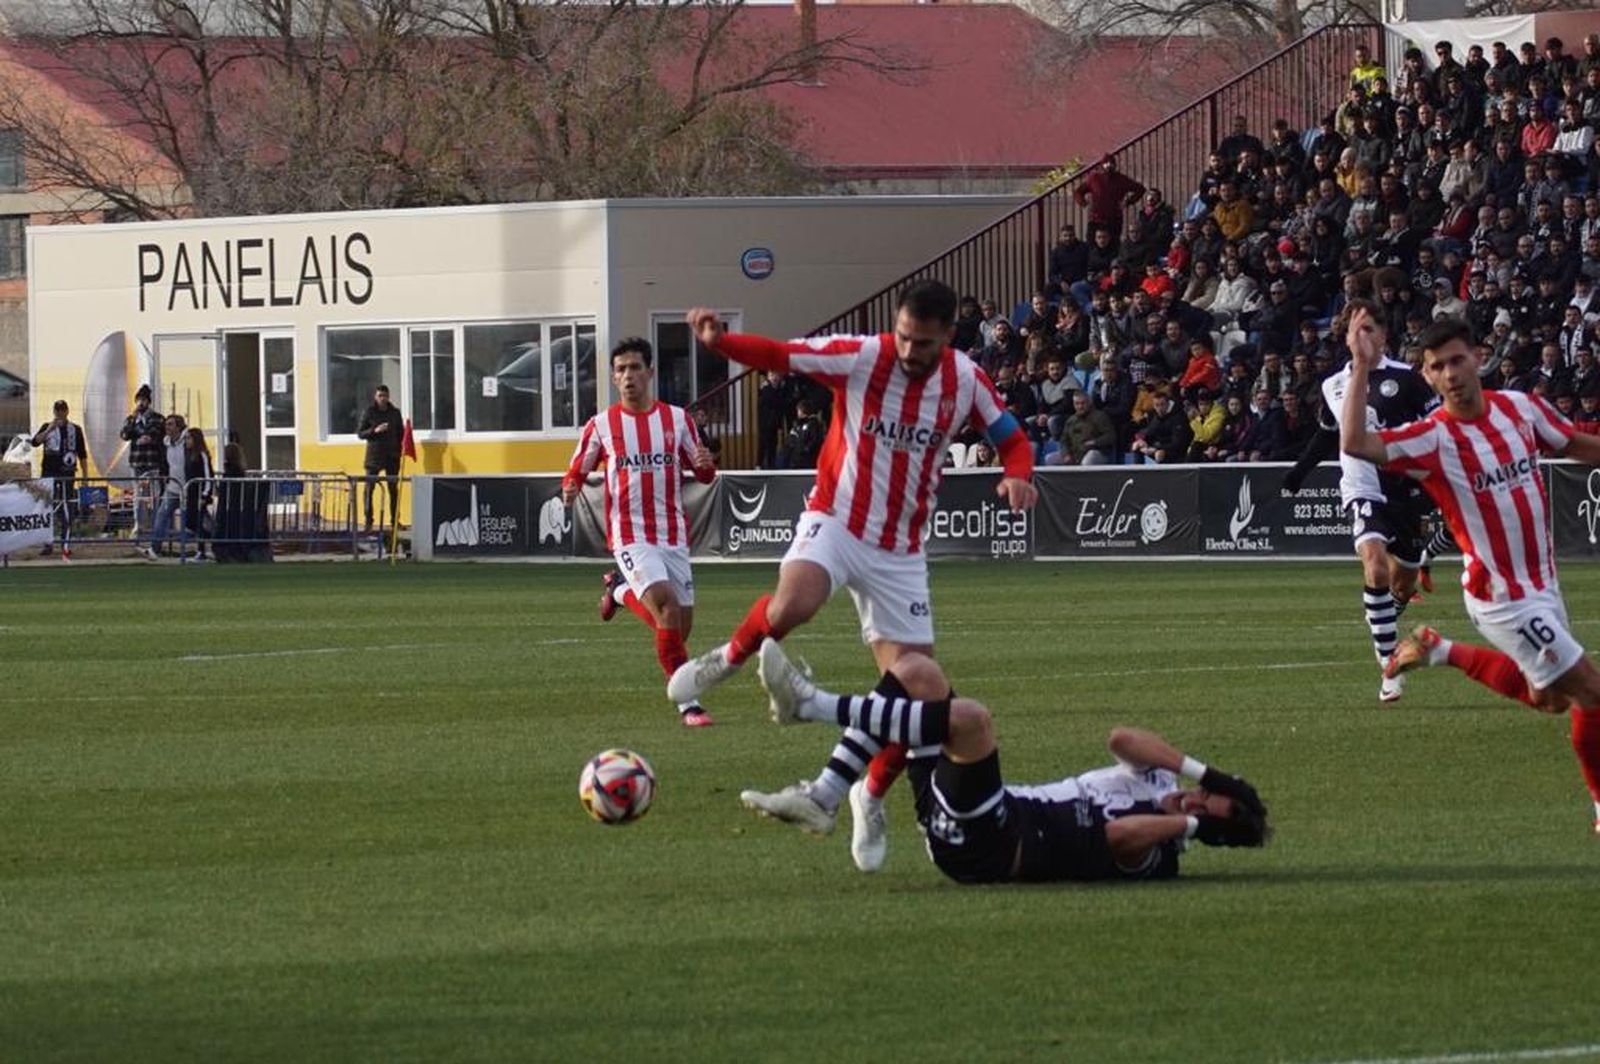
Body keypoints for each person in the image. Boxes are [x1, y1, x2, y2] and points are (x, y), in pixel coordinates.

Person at [672, 282, 1037, 871]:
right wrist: (723, 342)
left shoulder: (965, 378)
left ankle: (862, 793)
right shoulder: (864, 356)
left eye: (923, 341)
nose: (909, 349)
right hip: (837, 518)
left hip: (901, 549)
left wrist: (1019, 474)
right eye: (904, 335)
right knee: (795, 603)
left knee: (917, 684)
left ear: (948, 336)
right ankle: (730, 659)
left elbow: (1012, 439)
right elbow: (782, 355)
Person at [1341, 313, 1600, 833]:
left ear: (1479, 358)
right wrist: (1360, 366)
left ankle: (1439, 650)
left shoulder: (1519, 409)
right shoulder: (1433, 439)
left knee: (1550, 699)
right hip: (1501, 596)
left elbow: (1573, 443)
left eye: (1458, 360)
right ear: (1429, 377)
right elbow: (1356, 444)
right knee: (1592, 691)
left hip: (1543, 584)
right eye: (1438, 367)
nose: (1451, 373)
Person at [753, 640, 1270, 884]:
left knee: (971, 721)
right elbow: (1121, 738)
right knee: (919, 673)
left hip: (997, 846)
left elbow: (1119, 839)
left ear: (1205, 830)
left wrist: (1189, 823)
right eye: (1204, 793)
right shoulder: (1158, 780)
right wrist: (1208, 773)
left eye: (1206, 808)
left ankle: (812, 705)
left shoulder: (1162, 854)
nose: (1195, 798)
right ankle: (826, 795)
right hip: (974, 814)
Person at [1283, 298, 1437, 702]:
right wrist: (1299, 472)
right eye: (1356, 328)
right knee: (1374, 565)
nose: (1362, 336)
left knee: (1401, 582)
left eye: (1370, 328)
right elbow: (1328, 433)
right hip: (1362, 487)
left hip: (1408, 492)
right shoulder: (1334, 384)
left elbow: (1441, 429)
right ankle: (1390, 667)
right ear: (1346, 335)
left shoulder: (1409, 379)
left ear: (1384, 335)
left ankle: (1387, 614)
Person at [563, 338, 717, 727]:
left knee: (680, 626)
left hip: (672, 534)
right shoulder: (601, 425)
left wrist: (705, 464)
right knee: (665, 608)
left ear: (650, 372)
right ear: (614, 378)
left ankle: (618, 591)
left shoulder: (678, 420)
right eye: (620, 370)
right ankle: (689, 702)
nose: (628, 375)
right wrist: (569, 487)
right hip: (629, 533)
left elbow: (703, 472)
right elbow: (576, 469)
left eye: (635, 368)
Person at [31, 399, 87, 556]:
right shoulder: (46, 426)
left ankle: (65, 543)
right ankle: (47, 543)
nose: (60, 413)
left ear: (67, 411)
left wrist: (85, 474)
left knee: (66, 508)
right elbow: (35, 442)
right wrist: (49, 429)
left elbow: (82, 454)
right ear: (54, 412)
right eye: (57, 410)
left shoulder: (75, 429)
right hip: (48, 473)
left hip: (67, 473)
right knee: (46, 507)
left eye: (62, 410)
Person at [120, 383, 165, 547]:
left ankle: (156, 526)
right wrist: (135, 424)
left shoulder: (157, 418)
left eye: (143, 400)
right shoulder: (131, 419)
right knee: (138, 496)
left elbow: (155, 431)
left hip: (152, 462)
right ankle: (138, 526)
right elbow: (124, 434)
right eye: (138, 400)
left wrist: (143, 433)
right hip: (137, 462)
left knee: (155, 495)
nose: (140, 403)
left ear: (149, 402)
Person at [356, 384, 404, 533]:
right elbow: (360, 433)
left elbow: (401, 433)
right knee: (369, 489)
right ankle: (368, 522)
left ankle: (395, 520)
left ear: (389, 396)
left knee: (393, 489)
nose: (383, 399)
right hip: (374, 456)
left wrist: (400, 449)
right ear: (375, 397)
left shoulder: (394, 413)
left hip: (392, 455)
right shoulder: (369, 412)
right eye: (380, 396)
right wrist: (375, 430)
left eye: (385, 396)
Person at [146, 413, 186, 560]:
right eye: (166, 424)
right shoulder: (166, 443)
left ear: (178, 426)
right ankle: (155, 548)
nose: (167, 427)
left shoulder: (186, 443)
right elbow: (165, 463)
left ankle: (218, 542)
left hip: (188, 487)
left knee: (197, 520)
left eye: (170, 424)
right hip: (173, 488)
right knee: (161, 515)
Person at [181, 427, 214, 561]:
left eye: (189, 438)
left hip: (200, 493)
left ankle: (203, 549)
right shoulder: (187, 454)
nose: (186, 441)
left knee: (199, 521)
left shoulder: (202, 454)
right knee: (191, 523)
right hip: (190, 493)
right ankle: (212, 540)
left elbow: (208, 475)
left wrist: (206, 495)